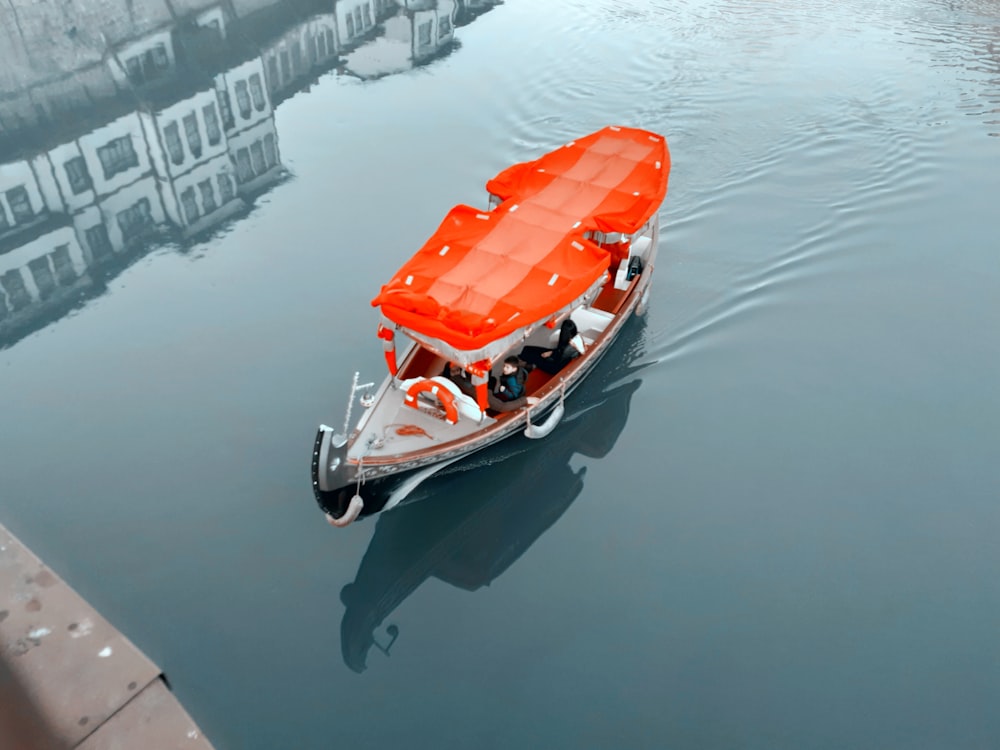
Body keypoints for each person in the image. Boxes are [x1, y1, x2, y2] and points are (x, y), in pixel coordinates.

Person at [519, 318, 585, 375]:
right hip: (558, 357)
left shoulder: (570, 345)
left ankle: (524, 365)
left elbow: (559, 356)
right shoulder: (577, 338)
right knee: (529, 350)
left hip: (554, 366)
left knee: (528, 351)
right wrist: (552, 352)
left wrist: (551, 353)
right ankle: (527, 364)